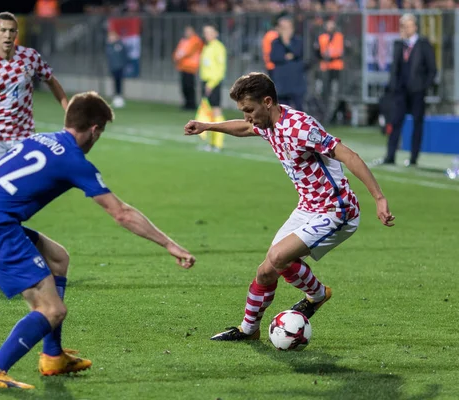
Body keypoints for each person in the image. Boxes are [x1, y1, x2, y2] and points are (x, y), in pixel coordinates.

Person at [0, 91, 196, 389]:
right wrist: (169, 244)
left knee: (58, 257)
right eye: (101, 133)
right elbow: (121, 213)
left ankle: (53, 356)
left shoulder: (37, 139)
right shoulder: (73, 159)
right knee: (52, 310)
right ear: (94, 129)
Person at [183, 72, 394, 341]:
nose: (247, 116)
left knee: (279, 257)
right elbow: (246, 128)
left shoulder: (301, 127)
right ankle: (249, 330)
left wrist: (378, 198)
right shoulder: (266, 123)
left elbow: (349, 155)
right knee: (266, 270)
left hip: (336, 209)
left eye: (249, 109)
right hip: (308, 207)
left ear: (267, 102)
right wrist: (208, 126)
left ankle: (317, 295)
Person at [0, 11, 69, 182]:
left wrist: (69, 110)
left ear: (16, 33)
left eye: (11, 31)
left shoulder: (30, 57)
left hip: (25, 137)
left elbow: (51, 82)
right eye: (3, 31)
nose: (7, 35)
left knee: (24, 193)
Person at [382, 13, 437, 167]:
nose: (404, 29)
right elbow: (395, 68)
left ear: (415, 26)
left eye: (407, 25)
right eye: (402, 26)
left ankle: (414, 158)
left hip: (417, 91)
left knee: (417, 124)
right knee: (395, 122)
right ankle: (390, 155)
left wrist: (423, 86)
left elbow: (432, 69)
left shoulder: (423, 44)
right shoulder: (400, 45)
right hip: (401, 91)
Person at [198, 24, 227, 152]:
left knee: (216, 111)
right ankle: (211, 143)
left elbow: (220, 69)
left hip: (213, 83)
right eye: (205, 32)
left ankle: (218, 144)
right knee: (208, 113)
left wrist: (211, 83)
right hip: (205, 82)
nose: (207, 35)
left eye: (210, 32)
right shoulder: (207, 46)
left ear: (216, 33)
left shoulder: (218, 47)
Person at [270, 17, 306, 111]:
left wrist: (286, 43)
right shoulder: (275, 42)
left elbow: (298, 53)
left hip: (296, 81)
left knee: (299, 109)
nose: (285, 31)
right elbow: (274, 57)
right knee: (282, 109)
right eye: (283, 28)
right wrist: (287, 56)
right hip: (282, 81)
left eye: (287, 28)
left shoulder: (298, 41)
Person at [316, 18, 345, 124]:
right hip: (325, 68)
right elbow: (318, 52)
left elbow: (342, 51)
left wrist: (332, 56)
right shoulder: (322, 37)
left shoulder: (339, 37)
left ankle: (331, 116)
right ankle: (324, 115)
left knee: (334, 93)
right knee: (324, 93)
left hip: (336, 68)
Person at [173, 26, 204, 110]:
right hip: (182, 66)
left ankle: (191, 104)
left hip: (191, 67)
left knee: (190, 86)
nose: (187, 33)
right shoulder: (183, 41)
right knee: (184, 87)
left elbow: (188, 52)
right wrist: (176, 57)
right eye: (186, 31)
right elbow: (178, 51)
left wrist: (178, 57)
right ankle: (186, 103)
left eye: (189, 31)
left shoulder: (195, 40)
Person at [105, 30, 129, 109]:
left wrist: (123, 64)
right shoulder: (109, 46)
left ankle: (120, 97)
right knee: (115, 82)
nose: (111, 38)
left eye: (112, 36)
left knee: (119, 82)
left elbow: (124, 54)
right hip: (113, 67)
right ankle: (116, 96)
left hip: (120, 67)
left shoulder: (120, 44)